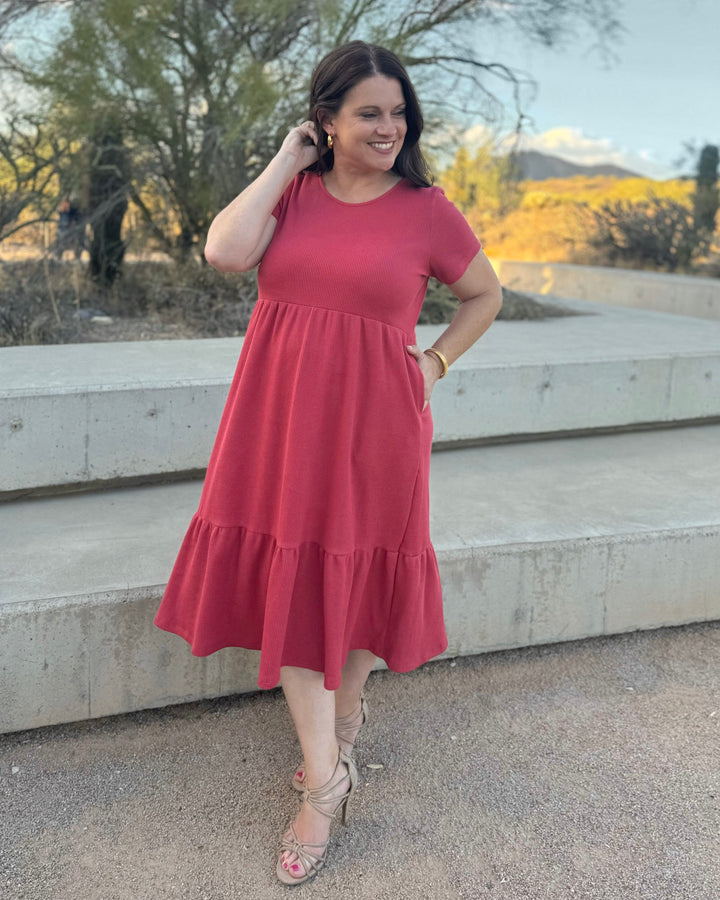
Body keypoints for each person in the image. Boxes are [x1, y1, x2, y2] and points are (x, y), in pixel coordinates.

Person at [154, 40, 503, 885]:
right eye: (368, 113)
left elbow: (485, 294)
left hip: (378, 424)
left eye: (399, 112)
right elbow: (225, 252)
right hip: (276, 421)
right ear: (327, 120)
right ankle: (327, 779)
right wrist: (286, 159)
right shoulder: (293, 193)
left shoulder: (427, 210)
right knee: (299, 584)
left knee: (357, 569)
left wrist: (434, 363)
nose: (390, 128)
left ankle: (341, 728)